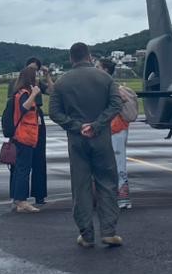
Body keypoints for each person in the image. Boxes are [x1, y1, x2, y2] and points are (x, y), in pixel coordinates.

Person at [48, 42, 124, 248]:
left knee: (80, 186)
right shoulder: (106, 78)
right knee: (107, 183)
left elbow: (54, 112)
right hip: (101, 138)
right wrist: (98, 124)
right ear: (89, 56)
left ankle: (86, 233)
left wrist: (76, 126)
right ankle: (109, 231)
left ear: (71, 58)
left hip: (77, 140)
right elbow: (117, 104)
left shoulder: (62, 82)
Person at [7, 57, 52, 206]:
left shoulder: (37, 84)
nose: (35, 72)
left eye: (36, 69)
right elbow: (16, 106)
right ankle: (17, 195)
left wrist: (47, 76)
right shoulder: (18, 86)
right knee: (20, 162)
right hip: (23, 123)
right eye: (32, 69)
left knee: (39, 159)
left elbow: (53, 91)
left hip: (36, 120)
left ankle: (39, 194)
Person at [97, 59, 138, 209]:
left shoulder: (111, 87)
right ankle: (119, 197)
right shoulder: (109, 86)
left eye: (98, 67)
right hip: (116, 129)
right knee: (114, 163)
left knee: (118, 163)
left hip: (117, 129)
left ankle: (122, 198)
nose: (96, 69)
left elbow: (120, 102)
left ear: (105, 70)